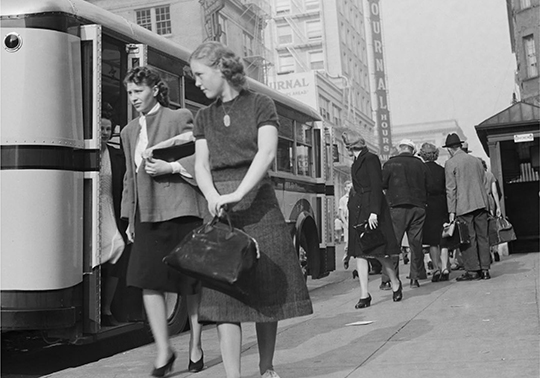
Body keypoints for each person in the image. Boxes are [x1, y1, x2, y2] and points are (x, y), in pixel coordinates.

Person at [189, 41, 313, 378]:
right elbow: (201, 164)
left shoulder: (261, 104)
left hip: (259, 204)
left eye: (200, 75)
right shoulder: (203, 116)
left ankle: (266, 367)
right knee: (223, 297)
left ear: (221, 69)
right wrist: (213, 194)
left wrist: (240, 192)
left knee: (265, 290)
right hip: (220, 208)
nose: (196, 82)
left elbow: (267, 152)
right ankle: (233, 376)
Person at [120, 66, 207, 377]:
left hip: (181, 210)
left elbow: (199, 154)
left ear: (155, 89)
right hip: (147, 215)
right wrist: (129, 218)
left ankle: (196, 344)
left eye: (138, 91)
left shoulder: (179, 117)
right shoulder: (128, 131)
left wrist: (170, 169)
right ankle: (163, 350)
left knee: (189, 282)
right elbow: (131, 177)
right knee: (147, 281)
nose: (133, 98)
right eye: (130, 93)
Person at [342, 132, 402, 309]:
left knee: (378, 251)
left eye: (347, 146)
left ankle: (395, 282)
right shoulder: (358, 161)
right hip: (359, 209)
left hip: (370, 209)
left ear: (351, 146)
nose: (347, 149)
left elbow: (376, 185)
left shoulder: (370, 159)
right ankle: (364, 294)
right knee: (360, 253)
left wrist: (374, 212)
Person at [443, 133, 491, 281]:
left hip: (464, 206)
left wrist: (451, 211)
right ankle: (485, 269)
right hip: (481, 204)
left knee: (467, 239)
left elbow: (451, 189)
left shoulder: (451, 163)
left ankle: (472, 270)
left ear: (450, 149)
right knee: (483, 237)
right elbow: (484, 182)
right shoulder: (476, 161)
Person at [382, 139, 429, 288]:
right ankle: (414, 278)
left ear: (400, 149)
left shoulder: (390, 164)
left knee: (394, 243)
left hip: (396, 207)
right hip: (418, 207)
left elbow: (382, 185)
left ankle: (389, 279)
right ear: (413, 150)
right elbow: (428, 185)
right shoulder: (421, 164)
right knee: (416, 243)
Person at [99, 104, 129, 326]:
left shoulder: (117, 155)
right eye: (101, 128)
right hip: (92, 210)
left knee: (117, 248)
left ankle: (106, 309)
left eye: (108, 129)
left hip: (111, 208)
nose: (105, 133)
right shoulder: (87, 152)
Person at [418, 143, 451, 282]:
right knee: (443, 238)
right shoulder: (442, 170)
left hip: (428, 206)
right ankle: (445, 268)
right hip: (442, 205)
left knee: (432, 241)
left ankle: (436, 269)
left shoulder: (421, 171)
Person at [480, 158, 502, 262]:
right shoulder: (490, 175)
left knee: (482, 230)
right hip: (490, 202)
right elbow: (495, 192)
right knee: (492, 228)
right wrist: (498, 206)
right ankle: (495, 249)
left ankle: (487, 252)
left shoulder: (476, 177)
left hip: (480, 202)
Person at [339, 181, 352, 257]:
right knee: (348, 241)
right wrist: (345, 223)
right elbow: (341, 214)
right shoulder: (343, 199)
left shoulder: (356, 197)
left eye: (351, 187)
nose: (349, 189)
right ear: (345, 188)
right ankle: (346, 255)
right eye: (348, 187)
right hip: (347, 221)